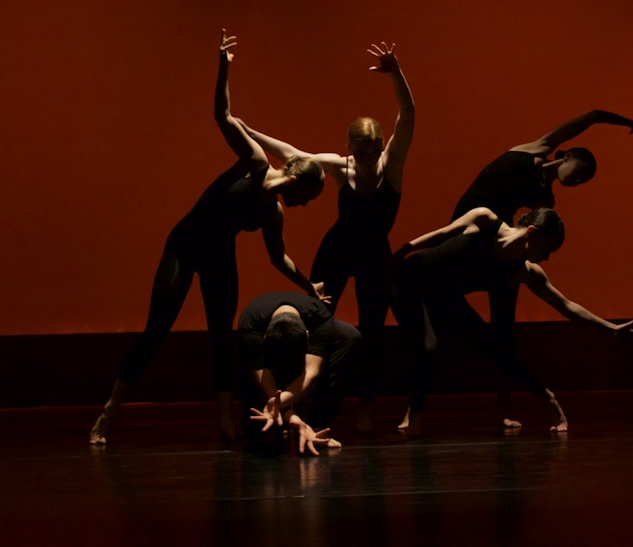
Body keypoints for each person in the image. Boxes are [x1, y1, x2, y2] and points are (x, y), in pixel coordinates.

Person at [89, 30, 327, 446]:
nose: (304, 206)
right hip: (184, 244)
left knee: (222, 338)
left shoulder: (273, 212)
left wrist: (308, 285)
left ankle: (224, 424)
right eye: (306, 197)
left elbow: (279, 258)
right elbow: (223, 115)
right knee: (156, 330)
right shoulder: (254, 163)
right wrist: (223, 68)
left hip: (219, 255)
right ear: (293, 178)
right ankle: (108, 414)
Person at [241, 41, 415, 433]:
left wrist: (396, 74)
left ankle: (366, 407)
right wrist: (247, 131)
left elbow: (408, 116)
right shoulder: (342, 167)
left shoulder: (393, 166)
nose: (370, 155)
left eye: (375, 148)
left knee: (371, 332)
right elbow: (291, 154)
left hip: (374, 255)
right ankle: (298, 400)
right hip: (337, 249)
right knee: (315, 321)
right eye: (362, 149)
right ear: (349, 147)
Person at [451, 110, 633, 430]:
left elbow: (529, 231)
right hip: (463, 230)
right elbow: (593, 116)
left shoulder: (545, 200)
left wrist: (611, 329)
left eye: (584, 181)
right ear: (568, 154)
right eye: (581, 171)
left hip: (497, 247)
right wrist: (631, 124)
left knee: (503, 329)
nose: (578, 181)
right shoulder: (536, 149)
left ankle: (505, 407)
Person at [390, 206, 633, 436]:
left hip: (441, 294)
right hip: (406, 281)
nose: (547, 257)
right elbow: (442, 234)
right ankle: (416, 416)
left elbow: (565, 305)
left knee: (493, 346)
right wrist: (404, 249)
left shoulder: (525, 271)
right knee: (428, 346)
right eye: (548, 249)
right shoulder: (485, 220)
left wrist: (611, 328)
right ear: (532, 233)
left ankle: (547, 398)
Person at [237, 292, 361, 455]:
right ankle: (268, 427)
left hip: (311, 333)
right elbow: (266, 382)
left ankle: (317, 424)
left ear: (308, 335)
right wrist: (291, 416)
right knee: (259, 435)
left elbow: (311, 375)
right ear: (265, 337)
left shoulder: (319, 318)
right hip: (264, 348)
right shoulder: (250, 324)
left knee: (350, 336)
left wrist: (278, 406)